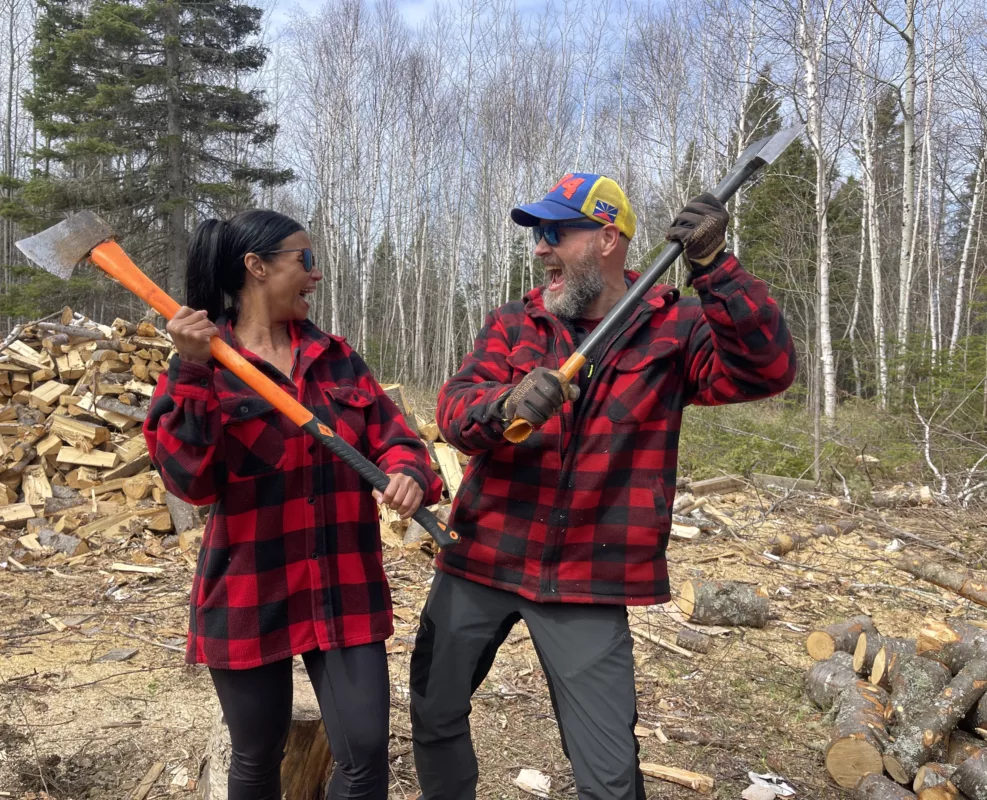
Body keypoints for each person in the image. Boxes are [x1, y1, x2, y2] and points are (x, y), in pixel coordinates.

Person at [409, 173, 796, 799]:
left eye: (555, 233)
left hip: (590, 576)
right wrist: (506, 401)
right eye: (538, 234)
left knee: (610, 778)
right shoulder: (516, 323)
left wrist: (716, 268)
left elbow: (769, 369)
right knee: (433, 714)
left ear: (608, 238)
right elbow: (455, 412)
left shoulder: (676, 327)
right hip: (480, 559)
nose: (539, 248)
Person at [144, 209, 443, 800]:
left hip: (344, 585)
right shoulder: (207, 366)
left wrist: (408, 474)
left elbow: (399, 439)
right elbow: (190, 482)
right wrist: (193, 370)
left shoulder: (336, 358)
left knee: (364, 759)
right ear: (256, 267)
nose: (317, 274)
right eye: (304, 260)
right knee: (257, 759)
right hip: (251, 589)